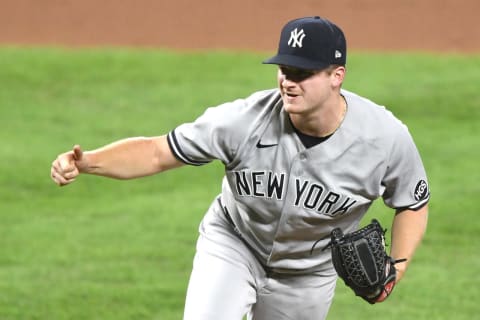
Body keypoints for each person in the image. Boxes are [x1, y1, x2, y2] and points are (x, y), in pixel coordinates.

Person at [51, 16, 430, 320]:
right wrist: (88, 163)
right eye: (284, 69)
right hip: (234, 245)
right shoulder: (242, 120)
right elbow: (156, 152)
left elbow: (412, 201)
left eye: (302, 73)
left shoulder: (384, 138)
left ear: (336, 75)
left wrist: (396, 266)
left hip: (308, 274)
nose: (288, 82)